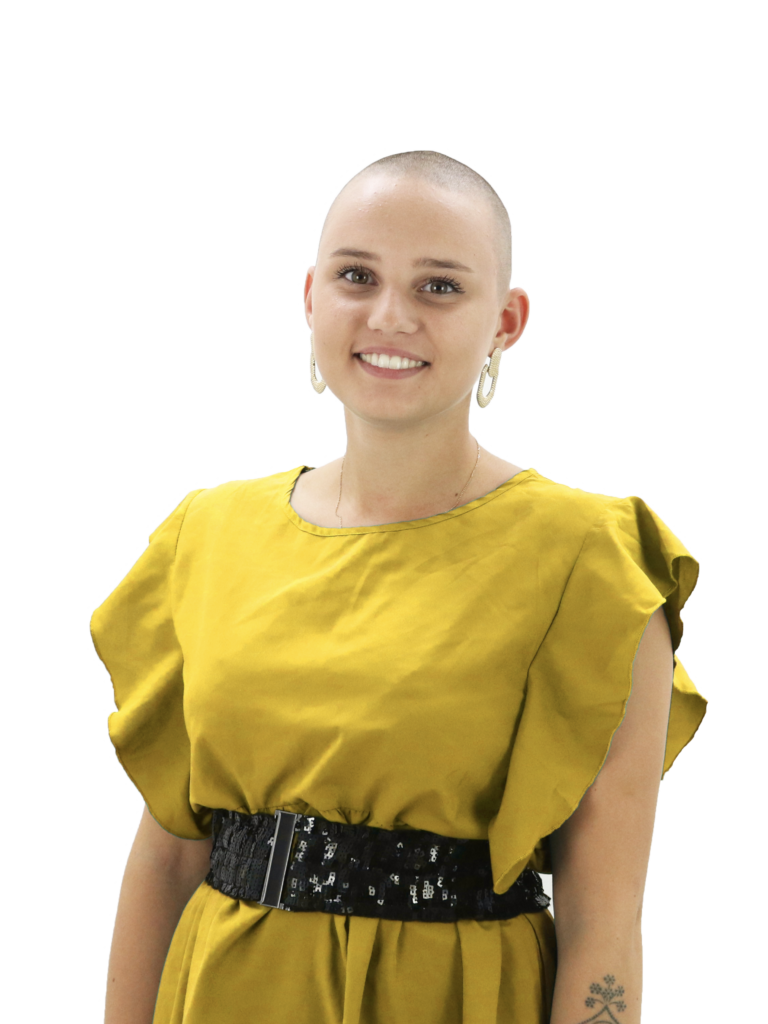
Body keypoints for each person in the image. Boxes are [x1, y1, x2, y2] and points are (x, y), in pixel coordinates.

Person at [96, 149, 708, 1024]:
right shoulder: (206, 535)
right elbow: (167, 858)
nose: (390, 315)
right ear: (311, 296)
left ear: (507, 320)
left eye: (439, 287)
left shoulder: (593, 564)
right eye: (358, 276)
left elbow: (601, 920)